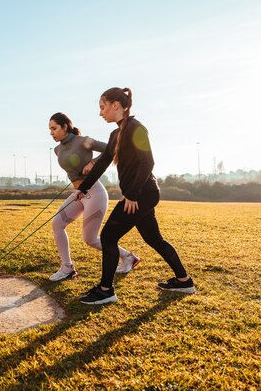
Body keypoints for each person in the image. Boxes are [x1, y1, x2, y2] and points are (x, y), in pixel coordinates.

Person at [76, 87, 195, 305]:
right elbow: (102, 163)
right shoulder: (116, 134)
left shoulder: (137, 128)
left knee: (109, 237)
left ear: (116, 105)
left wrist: (132, 194)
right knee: (153, 238)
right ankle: (184, 281)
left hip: (142, 194)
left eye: (102, 107)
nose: (100, 113)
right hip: (139, 195)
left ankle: (105, 290)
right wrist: (83, 188)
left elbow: (147, 162)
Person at [48, 112, 140, 282]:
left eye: (54, 128)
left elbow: (111, 149)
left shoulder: (83, 141)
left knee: (90, 239)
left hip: (95, 192)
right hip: (79, 193)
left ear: (65, 126)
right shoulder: (57, 149)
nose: (51, 132)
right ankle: (67, 267)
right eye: (50, 130)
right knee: (57, 223)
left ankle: (128, 257)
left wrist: (93, 162)